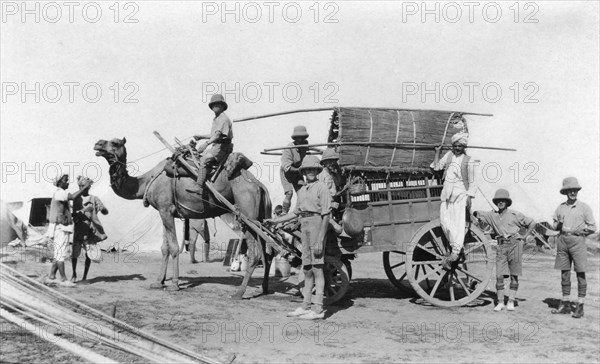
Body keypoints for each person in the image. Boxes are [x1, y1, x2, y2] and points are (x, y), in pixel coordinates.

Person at [266, 155, 331, 320]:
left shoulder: (322, 188)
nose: (310, 172)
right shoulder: (302, 191)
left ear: (317, 171)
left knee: (317, 269)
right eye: (307, 170)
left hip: (317, 226)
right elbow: (295, 213)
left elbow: (325, 216)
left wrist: (320, 239)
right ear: (304, 172)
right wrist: (274, 220)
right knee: (307, 269)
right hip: (305, 227)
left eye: (313, 169)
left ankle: (318, 309)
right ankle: (305, 306)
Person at [473, 189, 535, 311]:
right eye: (498, 201)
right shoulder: (492, 216)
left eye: (503, 201)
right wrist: (474, 214)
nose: (501, 203)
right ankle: (500, 302)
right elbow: (477, 213)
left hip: (515, 245)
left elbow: (532, 223)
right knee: (499, 275)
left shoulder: (515, 215)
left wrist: (524, 236)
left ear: (507, 202)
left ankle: (511, 301)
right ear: (496, 202)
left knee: (514, 275)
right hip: (501, 246)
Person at [550, 177, 596, 319]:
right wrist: (558, 224)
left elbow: (593, 227)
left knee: (580, 272)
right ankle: (565, 303)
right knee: (564, 273)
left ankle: (580, 306)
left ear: (577, 191)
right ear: (565, 192)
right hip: (563, 240)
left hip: (577, 241)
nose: (572, 192)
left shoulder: (584, 207)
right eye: (570, 190)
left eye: (575, 190)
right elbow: (554, 226)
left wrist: (581, 232)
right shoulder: (560, 207)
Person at [430, 132, 476, 269]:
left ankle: (455, 251)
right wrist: (437, 153)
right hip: (447, 195)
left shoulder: (469, 160)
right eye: (455, 145)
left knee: (458, 223)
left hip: (460, 195)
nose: (457, 148)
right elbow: (437, 167)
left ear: (464, 146)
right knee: (445, 222)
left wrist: (469, 197)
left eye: (460, 146)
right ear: (452, 146)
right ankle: (453, 247)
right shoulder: (449, 156)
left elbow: (473, 182)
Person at [45, 174, 91, 287]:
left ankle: (51, 276)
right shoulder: (60, 192)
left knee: (57, 254)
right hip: (60, 228)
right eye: (66, 180)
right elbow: (73, 197)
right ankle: (64, 279)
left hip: (61, 227)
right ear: (60, 182)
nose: (68, 182)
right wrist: (85, 188)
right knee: (61, 255)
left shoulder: (60, 193)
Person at [186, 94, 233, 195]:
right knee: (197, 154)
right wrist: (201, 136)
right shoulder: (216, 119)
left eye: (218, 104)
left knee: (203, 159)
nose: (216, 106)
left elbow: (217, 136)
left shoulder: (224, 119)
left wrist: (206, 144)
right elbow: (213, 134)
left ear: (222, 106)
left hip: (222, 148)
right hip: (216, 146)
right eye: (214, 104)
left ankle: (199, 187)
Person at [71, 176, 109, 282]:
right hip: (79, 228)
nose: (81, 188)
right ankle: (74, 274)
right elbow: (74, 215)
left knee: (89, 254)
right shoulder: (77, 199)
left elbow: (103, 209)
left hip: (90, 229)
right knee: (75, 253)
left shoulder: (94, 198)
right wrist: (84, 210)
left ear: (88, 187)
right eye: (80, 186)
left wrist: (103, 210)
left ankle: (84, 277)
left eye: (83, 186)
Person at [280, 126, 310, 214]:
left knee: (303, 191)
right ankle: (284, 213)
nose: (300, 140)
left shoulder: (305, 145)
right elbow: (287, 167)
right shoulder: (289, 148)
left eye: (302, 137)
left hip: (298, 171)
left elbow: (308, 154)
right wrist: (301, 169)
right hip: (287, 173)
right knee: (289, 193)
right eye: (298, 138)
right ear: (295, 138)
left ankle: (300, 211)